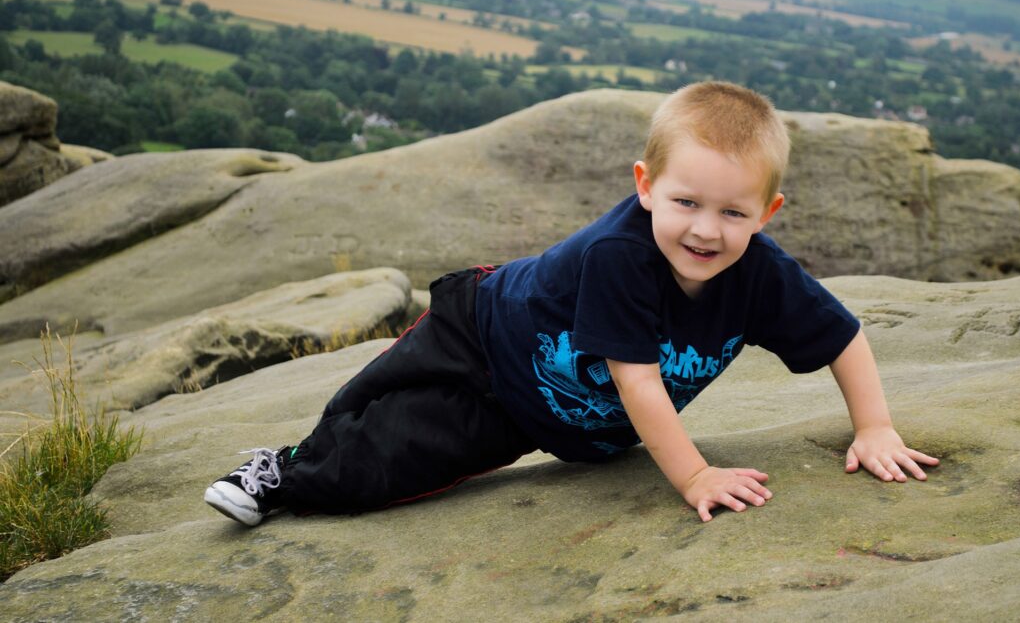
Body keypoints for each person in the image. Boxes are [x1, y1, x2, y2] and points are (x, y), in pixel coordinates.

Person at [204, 81, 939, 527]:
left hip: (524, 410)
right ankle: (279, 469)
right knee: (362, 399)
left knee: (397, 455)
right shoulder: (621, 257)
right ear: (645, 185)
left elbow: (843, 337)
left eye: (734, 213)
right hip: (484, 327)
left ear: (769, 211)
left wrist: (874, 427)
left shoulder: (762, 276)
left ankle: (298, 475)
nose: (707, 230)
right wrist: (693, 476)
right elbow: (638, 380)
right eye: (685, 201)